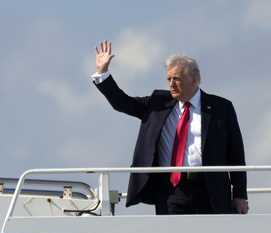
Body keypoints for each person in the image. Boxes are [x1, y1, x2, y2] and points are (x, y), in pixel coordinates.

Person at [92, 41, 248, 215]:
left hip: (210, 189)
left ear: (194, 80)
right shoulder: (158, 103)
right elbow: (123, 103)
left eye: (177, 79)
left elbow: (236, 154)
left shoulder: (221, 108)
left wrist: (240, 195)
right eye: (169, 79)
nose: (171, 84)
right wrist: (102, 73)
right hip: (170, 191)